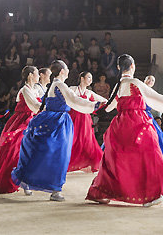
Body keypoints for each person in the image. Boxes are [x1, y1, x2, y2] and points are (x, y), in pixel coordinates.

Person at [86, 54, 163, 207]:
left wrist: (88, 108)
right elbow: (157, 98)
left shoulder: (118, 86)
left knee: (115, 161)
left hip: (120, 126)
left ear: (119, 67)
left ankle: (101, 191)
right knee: (153, 157)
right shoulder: (135, 82)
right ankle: (155, 193)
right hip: (138, 124)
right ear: (132, 66)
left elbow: (108, 108)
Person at [12, 61, 98, 201]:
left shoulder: (54, 85)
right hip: (59, 122)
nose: (69, 70)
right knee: (60, 155)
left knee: (47, 153)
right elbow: (74, 100)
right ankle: (54, 189)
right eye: (67, 68)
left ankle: (34, 182)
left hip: (52, 120)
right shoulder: (60, 85)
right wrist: (94, 105)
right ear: (62, 71)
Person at [0, 67, 42, 194]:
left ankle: (26, 181)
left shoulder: (35, 89)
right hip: (22, 123)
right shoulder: (25, 90)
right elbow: (35, 106)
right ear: (30, 75)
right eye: (36, 74)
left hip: (31, 121)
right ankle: (22, 182)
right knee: (17, 152)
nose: (38, 76)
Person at [67, 72, 107, 172]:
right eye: (89, 77)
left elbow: (104, 100)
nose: (90, 80)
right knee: (72, 140)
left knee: (86, 140)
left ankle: (89, 162)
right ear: (82, 78)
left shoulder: (89, 93)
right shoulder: (72, 89)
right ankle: (67, 162)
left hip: (85, 119)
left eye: (91, 78)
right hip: (73, 117)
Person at [144, 75, 163, 161]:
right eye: (149, 79)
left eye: (152, 80)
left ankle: (159, 159)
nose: (150, 81)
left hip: (147, 115)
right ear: (145, 80)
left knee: (158, 135)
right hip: (138, 114)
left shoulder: (152, 92)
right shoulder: (140, 88)